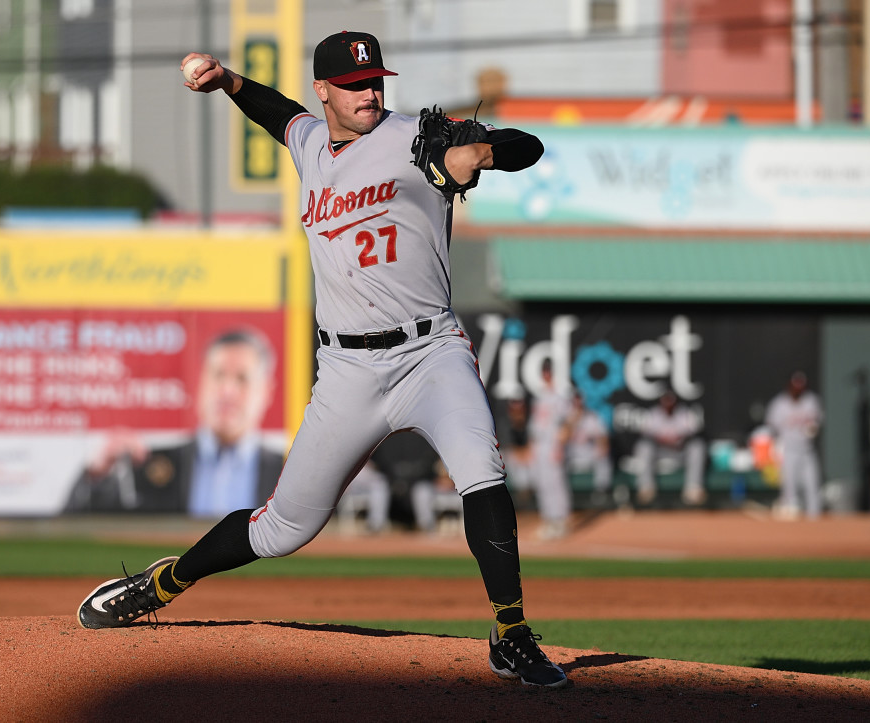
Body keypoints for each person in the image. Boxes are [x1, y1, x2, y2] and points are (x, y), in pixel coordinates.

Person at [77, 31, 570, 689]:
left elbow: (527, 146)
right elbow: (277, 115)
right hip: (346, 370)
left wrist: (477, 152)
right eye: (356, 84)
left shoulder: (417, 137)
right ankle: (163, 581)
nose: (370, 92)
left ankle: (510, 634)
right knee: (282, 528)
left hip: (431, 351)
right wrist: (227, 81)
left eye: (376, 81)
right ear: (325, 91)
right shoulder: (310, 141)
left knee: (482, 471)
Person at [63, 329, 285, 517]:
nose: (227, 391)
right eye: (218, 375)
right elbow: (74, 528)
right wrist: (98, 474)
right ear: (201, 382)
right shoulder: (149, 466)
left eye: (242, 378)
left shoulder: (289, 473)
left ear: (267, 391)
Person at [631, 390, 706, 507]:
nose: (668, 404)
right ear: (661, 402)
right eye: (665, 401)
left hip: (680, 452)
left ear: (675, 402)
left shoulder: (684, 413)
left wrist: (677, 439)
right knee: (644, 447)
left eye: (670, 401)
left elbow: (693, 433)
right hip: (660, 453)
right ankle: (646, 488)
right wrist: (664, 440)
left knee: (697, 446)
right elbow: (646, 434)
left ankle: (693, 489)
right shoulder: (653, 414)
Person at [765, 371, 823, 519]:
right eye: (795, 386)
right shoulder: (779, 404)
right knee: (789, 487)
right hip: (788, 450)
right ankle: (792, 523)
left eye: (800, 386)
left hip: (807, 450)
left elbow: (817, 423)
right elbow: (772, 428)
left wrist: (812, 428)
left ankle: (814, 519)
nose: (797, 389)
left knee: (812, 485)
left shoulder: (811, 401)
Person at [527, 360, 572, 539]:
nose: (546, 375)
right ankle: (548, 519)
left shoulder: (559, 397)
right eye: (544, 372)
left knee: (556, 483)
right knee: (542, 484)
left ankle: (560, 520)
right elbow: (535, 426)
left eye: (548, 371)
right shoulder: (540, 397)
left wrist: (560, 446)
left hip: (552, 444)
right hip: (539, 445)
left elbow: (566, 424)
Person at [562, 390, 612, 506]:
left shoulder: (591, 417)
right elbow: (560, 439)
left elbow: (603, 437)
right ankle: (564, 495)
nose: (577, 402)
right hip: (570, 455)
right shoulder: (565, 417)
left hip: (587, 454)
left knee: (603, 456)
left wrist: (602, 444)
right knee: (556, 458)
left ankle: (601, 491)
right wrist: (573, 421)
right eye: (575, 399)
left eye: (579, 399)